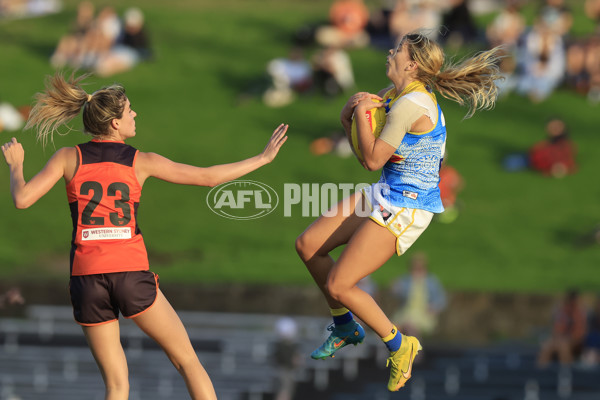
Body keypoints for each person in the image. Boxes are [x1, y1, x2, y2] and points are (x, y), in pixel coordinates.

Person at [1, 72, 288, 400]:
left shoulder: (68, 157)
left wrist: (16, 166)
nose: (135, 114)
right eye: (129, 111)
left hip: (87, 280)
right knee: (187, 361)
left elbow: (22, 200)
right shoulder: (141, 161)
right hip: (129, 273)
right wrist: (263, 158)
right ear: (113, 123)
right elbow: (208, 178)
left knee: (117, 386)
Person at [295, 32, 503, 391]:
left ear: (411, 64)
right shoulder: (395, 95)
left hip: (407, 206)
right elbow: (367, 161)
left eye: (398, 50)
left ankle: (399, 344)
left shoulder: (411, 105)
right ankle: (345, 327)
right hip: (386, 191)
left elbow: (374, 158)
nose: (390, 52)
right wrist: (349, 121)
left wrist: (360, 115)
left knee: (340, 283)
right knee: (308, 245)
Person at [391, 252, 446, 337]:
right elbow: (397, 293)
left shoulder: (432, 281)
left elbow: (441, 299)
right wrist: (395, 288)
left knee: (410, 326)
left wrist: (434, 307)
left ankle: (415, 349)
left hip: (424, 314)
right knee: (393, 328)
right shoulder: (406, 280)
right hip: (406, 312)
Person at [537, 290, 588, 367]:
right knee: (547, 346)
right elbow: (557, 329)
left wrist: (565, 339)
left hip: (576, 342)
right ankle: (541, 373)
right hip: (561, 339)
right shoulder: (563, 311)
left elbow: (580, 334)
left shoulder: (580, 313)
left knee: (563, 346)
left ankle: (566, 373)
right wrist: (557, 338)